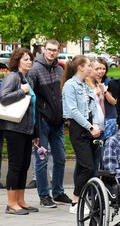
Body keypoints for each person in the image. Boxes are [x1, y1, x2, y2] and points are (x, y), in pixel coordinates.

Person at [27, 39, 72, 208]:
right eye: (49, 49)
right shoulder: (35, 69)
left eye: (55, 50)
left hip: (58, 121)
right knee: (42, 160)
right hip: (42, 121)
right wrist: (34, 125)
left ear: (58, 51)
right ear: (44, 50)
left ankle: (58, 192)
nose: (52, 52)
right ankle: (44, 195)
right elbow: (30, 96)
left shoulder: (60, 69)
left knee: (60, 158)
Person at [0, 48, 38, 215]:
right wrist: (21, 92)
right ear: (17, 61)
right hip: (13, 128)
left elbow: (33, 108)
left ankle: (20, 200)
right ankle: (11, 203)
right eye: (25, 59)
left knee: (24, 166)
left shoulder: (27, 78)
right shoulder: (12, 77)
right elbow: (3, 98)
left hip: (27, 129)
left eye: (30, 59)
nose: (29, 61)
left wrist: (35, 132)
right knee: (15, 166)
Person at [62, 55, 102, 213]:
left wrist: (96, 125)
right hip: (79, 128)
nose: (92, 69)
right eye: (89, 66)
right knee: (87, 166)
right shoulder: (70, 85)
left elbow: (94, 107)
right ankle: (75, 201)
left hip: (91, 128)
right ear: (81, 67)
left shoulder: (86, 85)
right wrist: (89, 127)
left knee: (87, 166)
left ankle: (85, 199)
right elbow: (72, 110)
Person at [95, 57, 118, 140]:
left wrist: (105, 91)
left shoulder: (110, 82)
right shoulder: (89, 82)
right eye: (98, 68)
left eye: (104, 68)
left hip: (109, 118)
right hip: (95, 118)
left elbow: (114, 102)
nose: (101, 71)